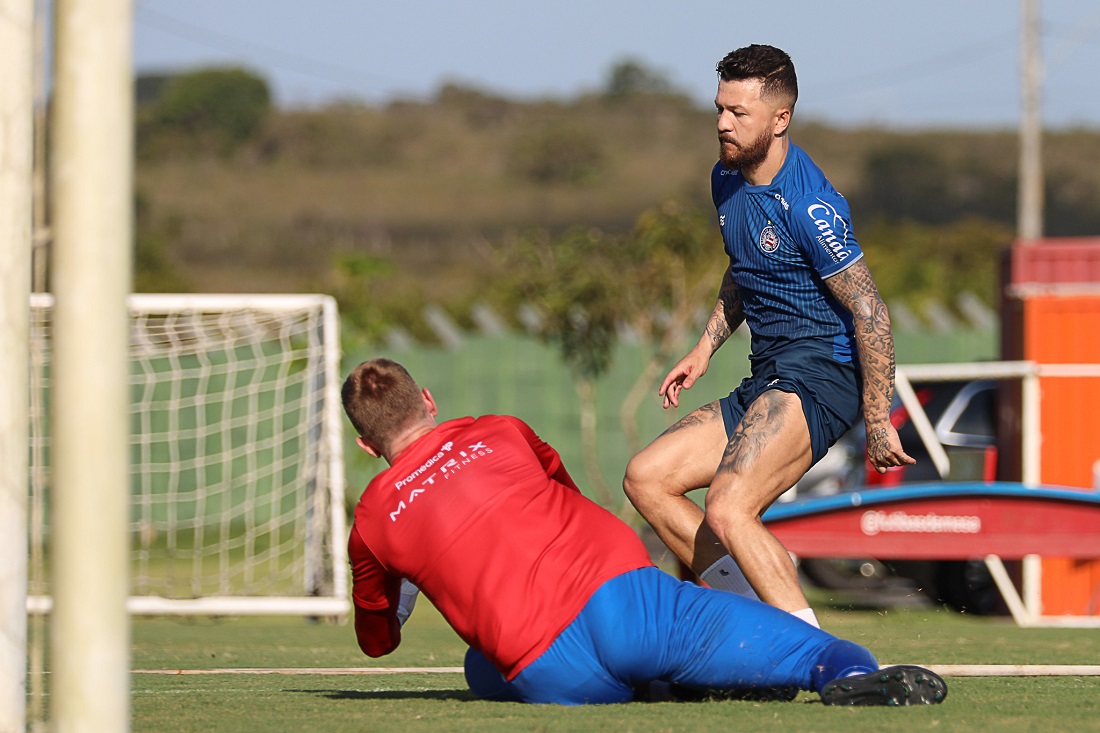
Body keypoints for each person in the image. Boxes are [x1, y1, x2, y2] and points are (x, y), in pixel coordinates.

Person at [342, 357, 945, 706]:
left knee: (481, 666)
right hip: (628, 602)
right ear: (427, 399)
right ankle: (847, 675)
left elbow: (378, 642)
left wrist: (401, 589)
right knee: (821, 652)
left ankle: (659, 685)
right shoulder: (500, 430)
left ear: (367, 445)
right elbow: (561, 489)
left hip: (547, 669)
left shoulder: (371, 519)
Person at [622, 44, 915, 627]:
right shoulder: (726, 179)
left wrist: (877, 417)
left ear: (780, 119)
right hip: (768, 375)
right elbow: (746, 265)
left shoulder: (809, 204)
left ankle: (815, 651)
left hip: (821, 374)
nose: (724, 124)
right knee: (646, 478)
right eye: (720, 109)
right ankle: (757, 616)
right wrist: (705, 346)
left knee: (729, 507)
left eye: (740, 113)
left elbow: (871, 310)